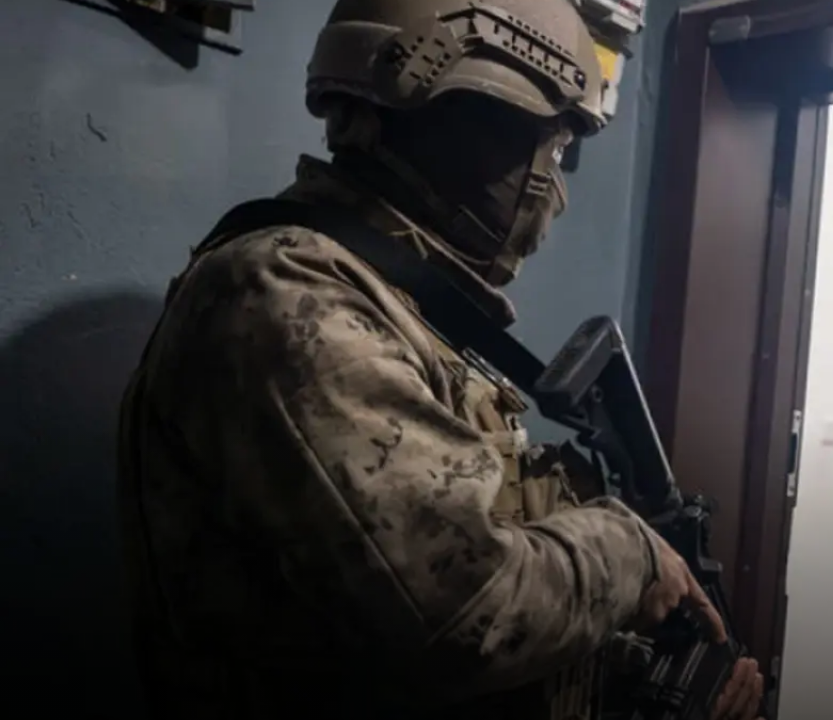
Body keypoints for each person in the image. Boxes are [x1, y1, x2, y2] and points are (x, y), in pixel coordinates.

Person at [114, 0, 764, 717]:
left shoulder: (397, 305)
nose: (553, 188)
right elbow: (463, 613)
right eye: (546, 146)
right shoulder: (287, 291)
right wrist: (629, 556)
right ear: (458, 116)